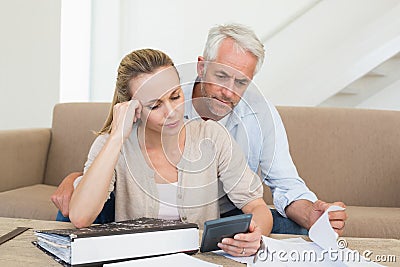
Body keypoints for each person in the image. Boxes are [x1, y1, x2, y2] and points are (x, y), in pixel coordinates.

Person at [52, 23, 347, 236]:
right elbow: (84, 209)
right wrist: (105, 149)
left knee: (288, 225)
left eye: (241, 82)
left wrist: (304, 214)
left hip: (221, 214)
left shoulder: (236, 125)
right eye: (221, 76)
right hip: (133, 216)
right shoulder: (124, 135)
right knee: (71, 210)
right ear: (201, 67)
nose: (228, 92)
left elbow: (276, 188)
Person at [68, 48, 272, 257]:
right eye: (155, 106)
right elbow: (80, 217)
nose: (172, 112)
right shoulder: (111, 145)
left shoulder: (212, 136)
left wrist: (255, 234)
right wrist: (117, 137)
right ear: (132, 108)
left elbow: (257, 206)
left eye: (175, 96)